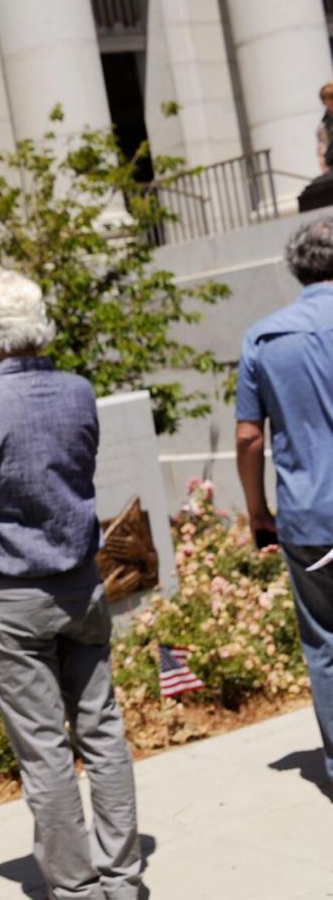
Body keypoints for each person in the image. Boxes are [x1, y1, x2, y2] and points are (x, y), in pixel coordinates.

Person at [0, 267, 143, 900]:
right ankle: (123, 878)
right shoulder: (79, 392)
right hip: (82, 584)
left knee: (44, 749)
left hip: (11, 596)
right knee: (103, 731)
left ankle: (76, 889)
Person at [235, 215, 333, 786]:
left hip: (309, 517)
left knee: (325, 644)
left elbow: (249, 437)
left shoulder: (264, 338)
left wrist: (257, 512)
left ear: (297, 267)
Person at [317, 82, 333, 175]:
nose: (331, 101)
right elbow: (322, 149)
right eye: (328, 98)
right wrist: (325, 170)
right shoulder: (323, 125)